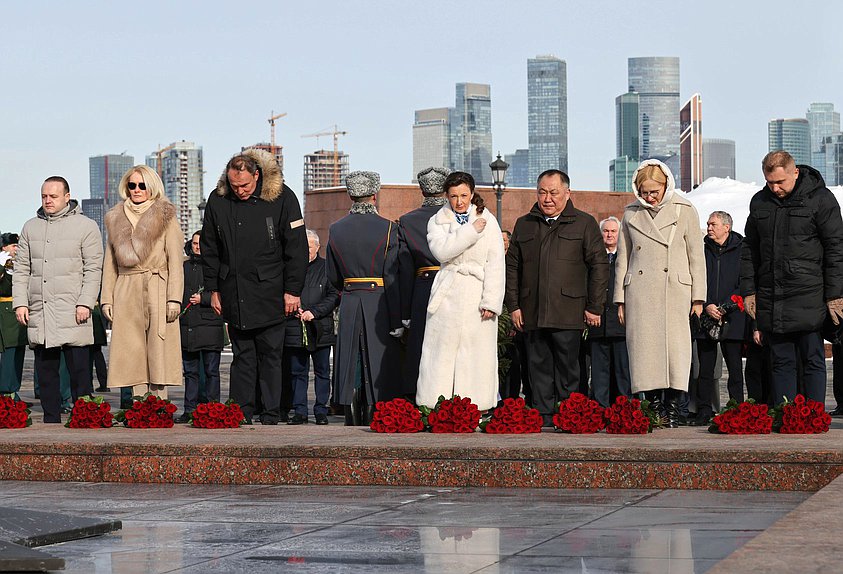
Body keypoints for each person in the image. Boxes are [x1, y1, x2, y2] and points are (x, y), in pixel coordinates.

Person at [201, 149, 307, 425]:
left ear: (257, 176)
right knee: (242, 355)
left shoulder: (283, 197)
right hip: (233, 291)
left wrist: (293, 291)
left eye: (245, 185)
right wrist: (212, 289)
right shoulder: (218, 200)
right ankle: (241, 411)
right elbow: (210, 247)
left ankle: (272, 412)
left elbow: (297, 248)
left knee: (271, 355)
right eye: (234, 186)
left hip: (272, 291)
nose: (240, 191)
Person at [505, 169, 608, 426]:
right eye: (542, 192)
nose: (547, 198)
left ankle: (573, 415)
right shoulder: (524, 223)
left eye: (553, 192)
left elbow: (599, 266)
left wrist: (595, 306)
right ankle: (543, 417)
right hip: (532, 310)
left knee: (570, 368)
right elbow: (512, 268)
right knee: (537, 368)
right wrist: (514, 306)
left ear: (567, 193)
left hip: (569, 311)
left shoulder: (584, 223)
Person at [741, 150, 843, 406]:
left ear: (795, 172)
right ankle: (785, 414)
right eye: (769, 182)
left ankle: (813, 416)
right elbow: (750, 250)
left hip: (810, 297)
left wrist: (835, 295)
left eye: (780, 182)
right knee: (780, 361)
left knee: (812, 359)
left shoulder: (820, 199)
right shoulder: (759, 202)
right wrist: (749, 291)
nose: (775, 188)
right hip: (773, 297)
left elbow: (836, 248)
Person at [614, 159, 706, 427]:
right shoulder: (630, 213)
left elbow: (696, 256)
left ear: (666, 186)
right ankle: (654, 405)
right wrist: (619, 299)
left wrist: (698, 298)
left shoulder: (684, 209)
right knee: (644, 351)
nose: (649, 197)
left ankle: (674, 406)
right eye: (644, 192)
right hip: (640, 292)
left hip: (675, 290)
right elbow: (623, 257)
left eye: (654, 191)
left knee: (676, 351)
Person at [12, 176, 103, 423]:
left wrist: (86, 301)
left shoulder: (86, 226)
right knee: (46, 372)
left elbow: (94, 268)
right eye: (44, 196)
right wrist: (20, 302)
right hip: (41, 310)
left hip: (74, 309)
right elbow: (21, 269)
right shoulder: (31, 227)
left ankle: (84, 417)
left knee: (80, 372)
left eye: (53, 196)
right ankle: (50, 419)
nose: (48, 200)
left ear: (67, 196)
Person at [416, 171, 505, 411]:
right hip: (448, 291)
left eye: (464, 195)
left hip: (478, 293)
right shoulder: (437, 220)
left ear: (473, 193)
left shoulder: (488, 219)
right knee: (440, 352)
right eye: (454, 196)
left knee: (476, 354)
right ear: (446, 195)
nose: (459, 201)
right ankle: (434, 407)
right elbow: (442, 252)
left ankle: (477, 408)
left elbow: (496, 262)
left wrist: (492, 300)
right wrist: (471, 231)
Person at [326, 171, 403, 425]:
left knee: (350, 358)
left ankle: (350, 410)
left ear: (350, 195)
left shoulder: (335, 229)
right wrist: (397, 317)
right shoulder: (390, 228)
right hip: (379, 301)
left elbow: (333, 276)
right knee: (379, 358)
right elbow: (393, 275)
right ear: (374, 194)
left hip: (349, 300)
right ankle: (377, 411)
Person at [101, 166, 184, 401]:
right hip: (127, 287)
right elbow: (110, 263)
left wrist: (174, 298)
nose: (136, 190)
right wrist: (107, 297)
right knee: (132, 351)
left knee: (159, 351)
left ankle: (159, 405)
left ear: (151, 187)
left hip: (158, 285)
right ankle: (138, 406)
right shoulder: (115, 217)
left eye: (142, 185)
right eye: (132, 185)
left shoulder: (166, 216)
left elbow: (176, 261)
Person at [397, 166, 450, 397]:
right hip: (454, 285)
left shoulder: (407, 221)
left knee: (420, 346)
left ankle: (418, 399)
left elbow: (404, 268)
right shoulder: (458, 216)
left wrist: (405, 310)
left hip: (423, 288)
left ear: (422, 189)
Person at [691, 211, 745, 425]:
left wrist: (725, 307)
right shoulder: (701, 249)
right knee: (705, 369)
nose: (709, 228)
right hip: (706, 316)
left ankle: (737, 410)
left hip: (733, 317)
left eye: (713, 224)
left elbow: (745, 282)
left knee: (734, 368)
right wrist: (707, 305)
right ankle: (704, 411)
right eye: (708, 224)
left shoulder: (742, 249)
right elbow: (695, 278)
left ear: (726, 227)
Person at [284, 229, 339, 425]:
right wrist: (293, 309)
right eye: (303, 246)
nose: (306, 250)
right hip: (295, 327)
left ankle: (321, 411)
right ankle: (299, 411)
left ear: (317, 247)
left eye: (309, 246)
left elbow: (334, 295)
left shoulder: (327, 268)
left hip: (320, 328)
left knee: (322, 372)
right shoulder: (289, 268)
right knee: (297, 372)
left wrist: (314, 312)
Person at [177, 231, 225, 423]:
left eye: (202, 243)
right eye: (195, 243)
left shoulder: (216, 266)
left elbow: (224, 292)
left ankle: (213, 408)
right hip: (188, 324)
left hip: (210, 324)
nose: (198, 247)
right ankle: (190, 409)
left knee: (211, 371)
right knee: (190, 372)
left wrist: (203, 299)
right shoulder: (184, 266)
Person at [589, 216, 631, 408]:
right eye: (606, 231)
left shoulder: (627, 258)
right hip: (598, 323)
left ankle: (625, 409)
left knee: (623, 371)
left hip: (621, 323)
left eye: (613, 231)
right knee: (599, 372)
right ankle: (599, 409)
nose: (609, 234)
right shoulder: (594, 257)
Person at [0, 233, 28, 396]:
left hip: (19, 311)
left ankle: (14, 392)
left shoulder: (16, 264)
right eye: (13, 246)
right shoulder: (2, 263)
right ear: (4, 247)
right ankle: (5, 393)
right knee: (9, 355)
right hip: (6, 312)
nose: (16, 249)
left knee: (18, 353)